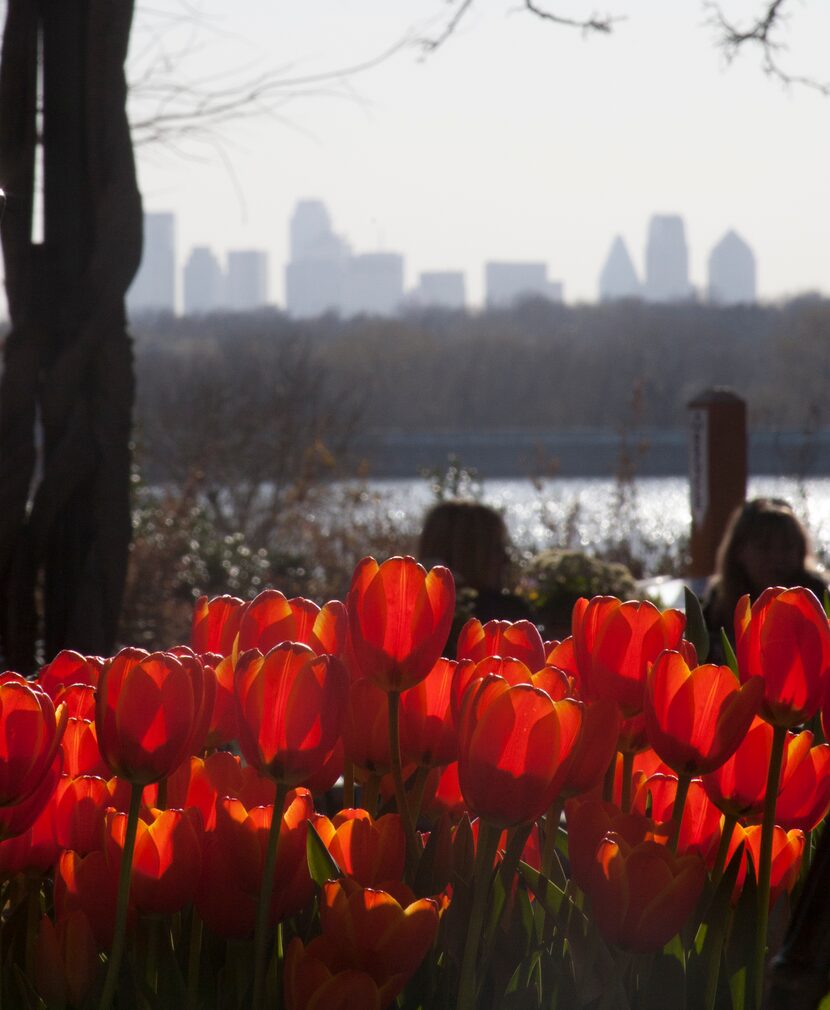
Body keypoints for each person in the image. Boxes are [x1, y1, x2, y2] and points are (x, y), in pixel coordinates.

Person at [703, 497, 828, 653]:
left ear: (800, 550)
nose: (776, 557)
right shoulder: (719, 603)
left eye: (787, 546)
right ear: (739, 551)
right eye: (764, 547)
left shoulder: (816, 595)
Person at [417, 500, 531, 627]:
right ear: (469, 552)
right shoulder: (508, 612)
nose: (506, 558)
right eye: (497, 548)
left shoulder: (414, 610)